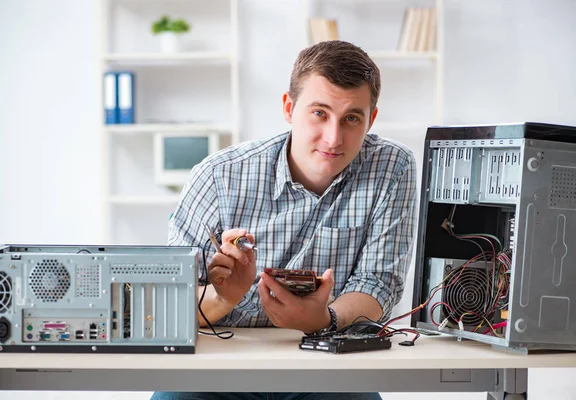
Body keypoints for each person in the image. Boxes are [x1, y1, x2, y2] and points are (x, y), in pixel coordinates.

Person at [152, 40, 417, 400]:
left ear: (371, 119)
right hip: (218, 368)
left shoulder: (393, 167)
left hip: (328, 365)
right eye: (319, 113)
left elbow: (379, 284)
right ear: (289, 108)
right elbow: (167, 301)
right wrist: (222, 297)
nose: (333, 138)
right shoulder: (219, 176)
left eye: (352, 118)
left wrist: (324, 321)